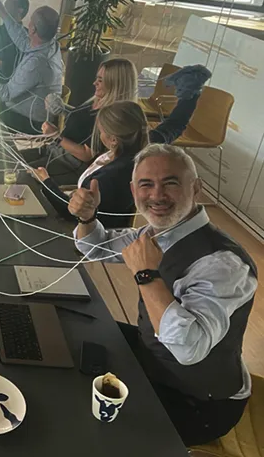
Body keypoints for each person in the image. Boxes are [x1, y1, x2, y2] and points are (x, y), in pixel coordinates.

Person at [70, 144, 257, 446]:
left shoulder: (223, 264)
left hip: (197, 402)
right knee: (77, 326)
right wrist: (87, 218)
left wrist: (146, 275)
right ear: (134, 191)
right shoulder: (156, 233)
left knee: (86, 427)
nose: (157, 196)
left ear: (196, 188)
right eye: (147, 184)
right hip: (153, 360)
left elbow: (188, 350)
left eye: (171, 182)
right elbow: (95, 246)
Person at [32, 64, 210, 228]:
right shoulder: (144, 139)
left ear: (113, 139)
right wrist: (190, 94)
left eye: (101, 131)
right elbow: (174, 124)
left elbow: (71, 212)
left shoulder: (108, 177)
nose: (98, 135)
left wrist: (46, 181)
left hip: (89, 232)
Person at [22, 58, 138, 185]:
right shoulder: (97, 101)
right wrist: (62, 108)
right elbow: (82, 119)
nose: (94, 83)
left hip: (69, 165)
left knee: (22, 176)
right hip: (54, 151)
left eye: (100, 80)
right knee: (9, 160)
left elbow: (87, 154)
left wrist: (56, 136)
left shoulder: (110, 117)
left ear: (114, 84)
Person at [0, 0, 63, 135]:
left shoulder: (37, 63)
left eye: (30, 21)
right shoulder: (50, 44)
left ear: (32, 29)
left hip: (26, 122)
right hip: (28, 113)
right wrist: (4, 14)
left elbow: (6, 94)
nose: (28, 24)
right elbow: (23, 41)